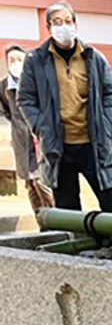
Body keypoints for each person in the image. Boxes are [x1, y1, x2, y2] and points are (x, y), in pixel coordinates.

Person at [18, 0, 112, 213]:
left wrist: (108, 125)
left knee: (111, 201)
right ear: (48, 28)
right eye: (57, 22)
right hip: (58, 145)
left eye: (67, 21)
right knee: (68, 209)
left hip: (94, 142)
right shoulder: (36, 60)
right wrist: (41, 127)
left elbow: (110, 92)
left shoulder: (93, 57)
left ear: (75, 24)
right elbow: (25, 98)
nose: (63, 26)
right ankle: (75, 244)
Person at [0, 45, 54, 217]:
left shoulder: (38, 80)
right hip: (21, 141)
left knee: (42, 181)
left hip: (39, 138)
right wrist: (18, 126)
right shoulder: (4, 86)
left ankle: (57, 219)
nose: (15, 63)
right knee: (30, 184)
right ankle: (41, 221)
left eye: (19, 59)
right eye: (11, 60)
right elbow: (6, 111)